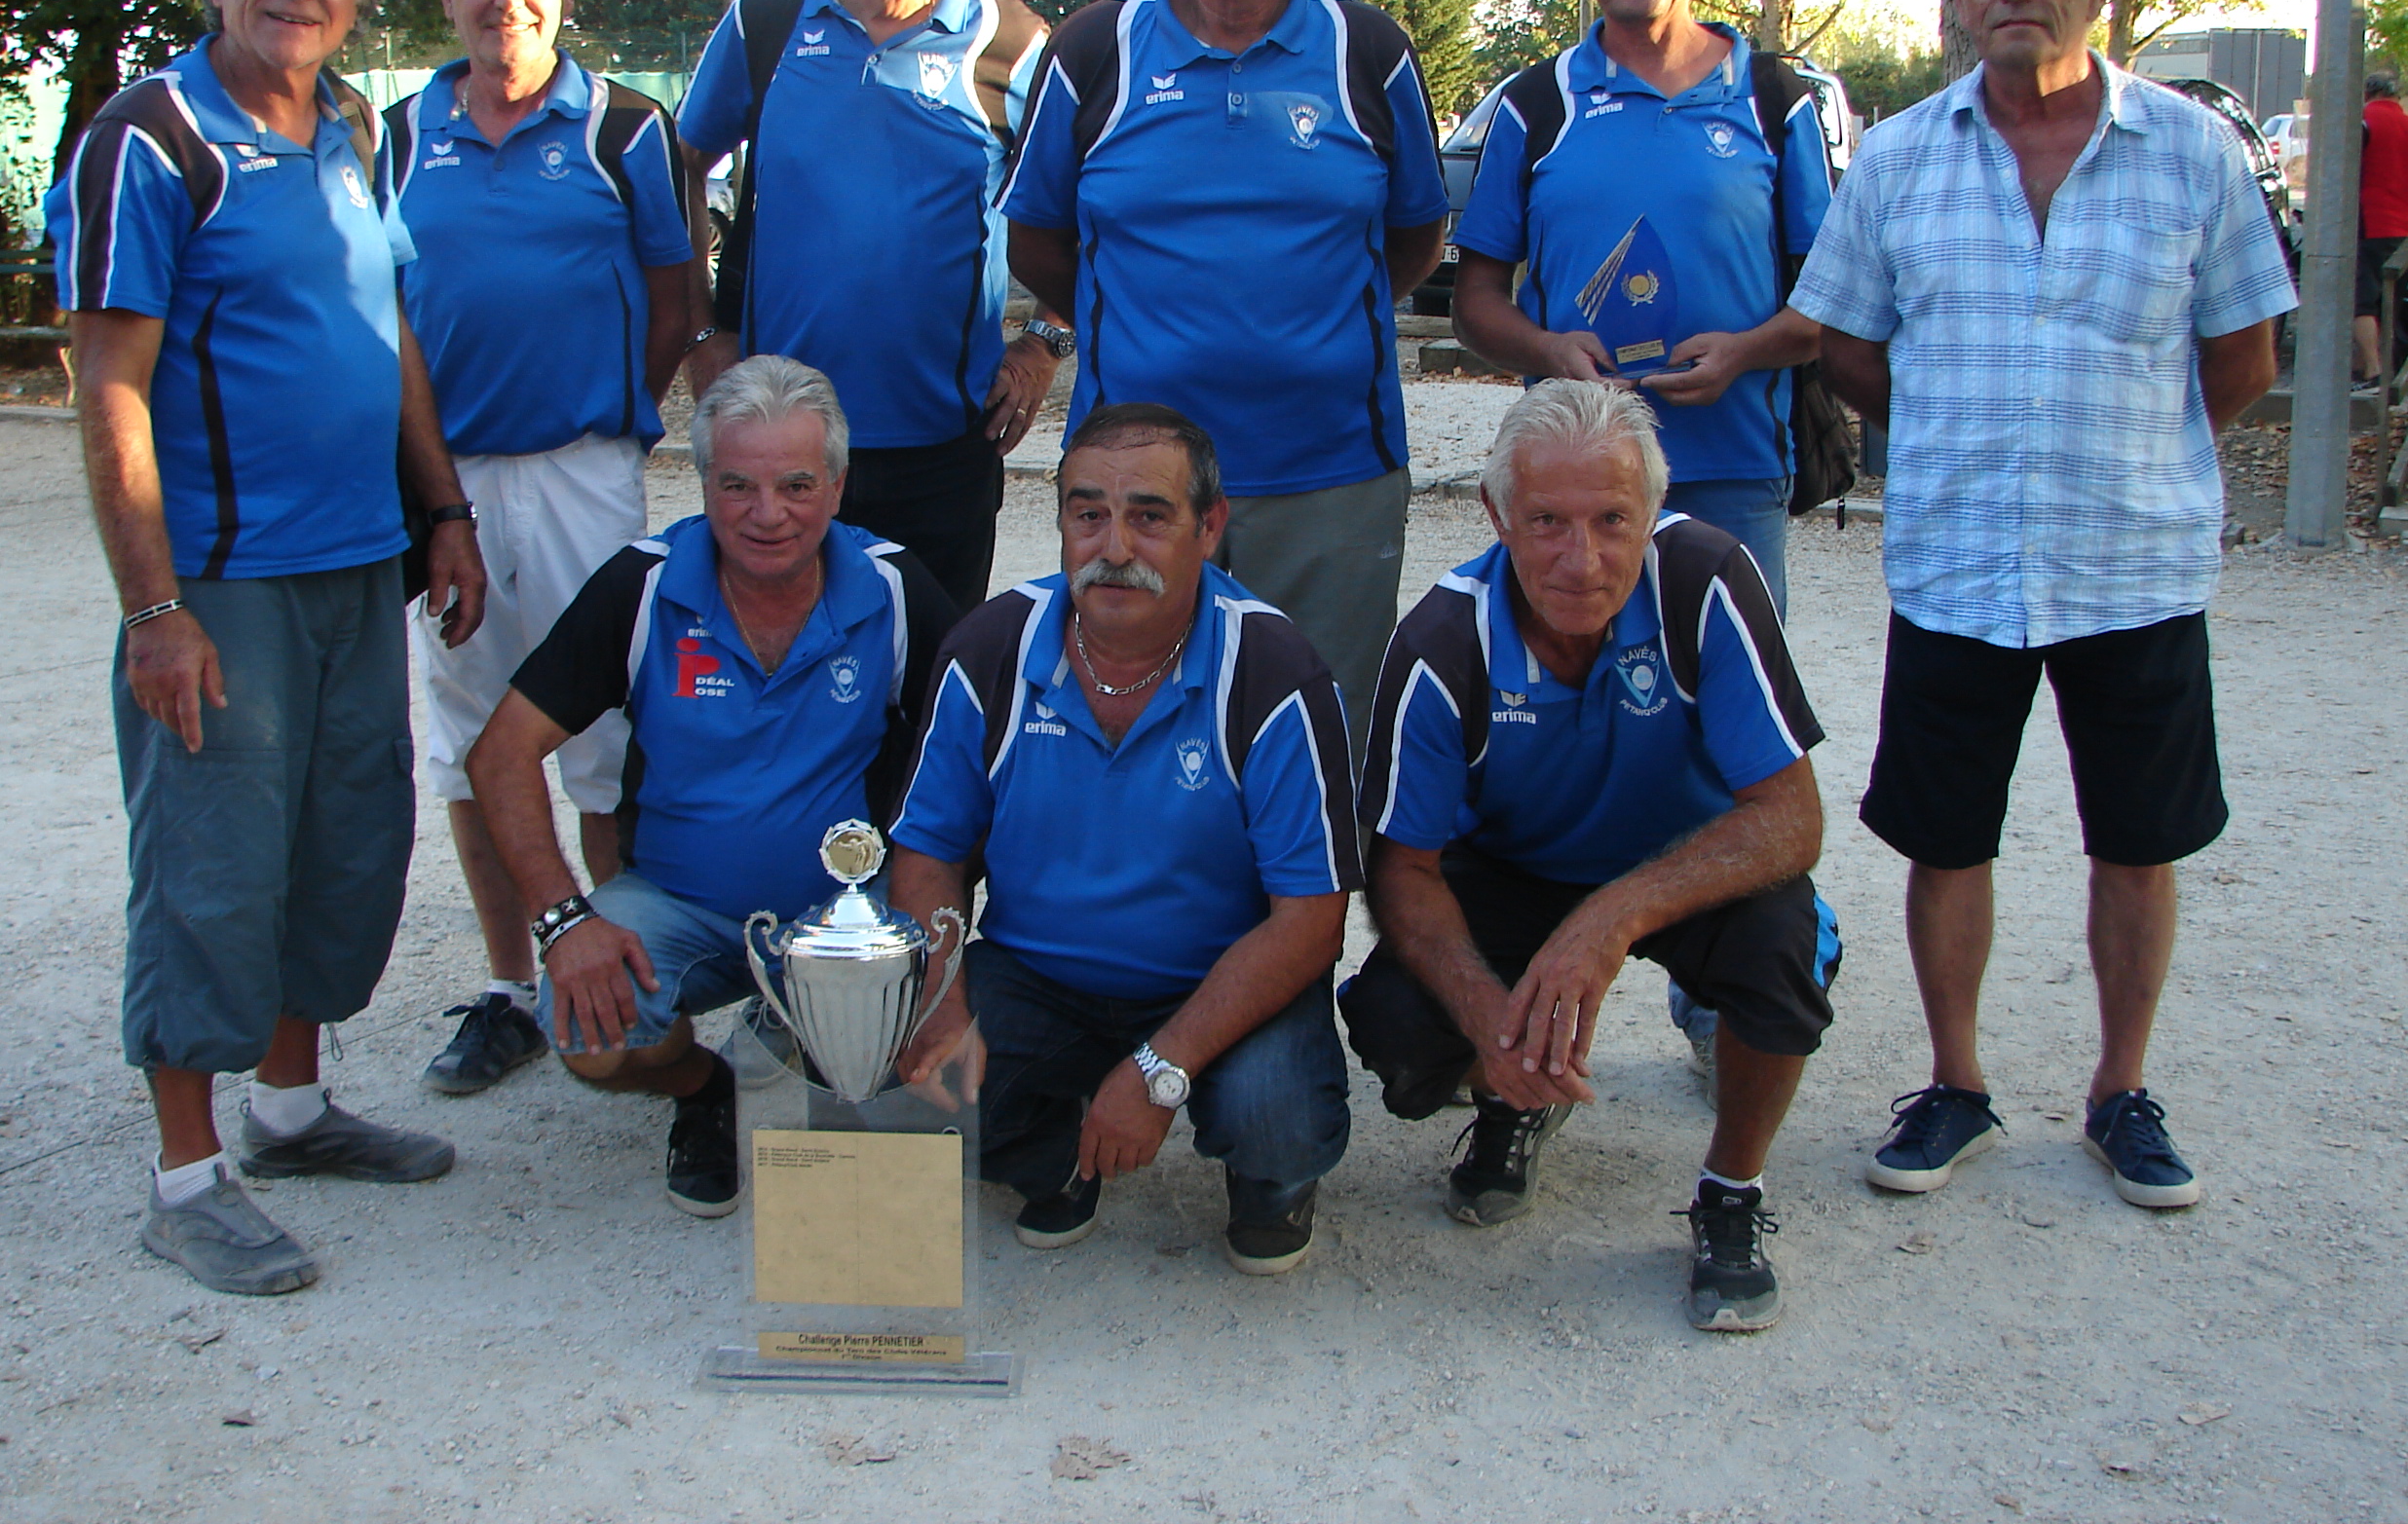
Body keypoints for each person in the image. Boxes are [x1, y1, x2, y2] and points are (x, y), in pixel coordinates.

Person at [1790, 0, 2291, 1212]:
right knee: (1945, 839)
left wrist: (2123, 441)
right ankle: (1955, 1085)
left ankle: (2121, 1090)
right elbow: (1848, 343)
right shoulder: (1898, 158)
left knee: (2140, 838)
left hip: (2134, 562)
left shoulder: (2193, 154)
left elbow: (2241, 355)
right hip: (1957, 561)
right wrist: (1960, 425)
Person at [50, 0, 483, 1297]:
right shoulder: (152, 138)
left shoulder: (350, 128)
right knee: (213, 866)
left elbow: (391, 329)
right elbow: (108, 384)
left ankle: (292, 1112)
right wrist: (153, 610)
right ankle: (186, 1178)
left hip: (360, 563)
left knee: (345, 841)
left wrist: (444, 508)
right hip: (222, 583)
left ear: (359, 1)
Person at [1446, 0, 1834, 1077]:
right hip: (1568, 481)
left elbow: (1832, 293)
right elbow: (1476, 302)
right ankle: (1545, 974)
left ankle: (1725, 986)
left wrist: (1751, 348)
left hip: (1726, 468)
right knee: (1558, 722)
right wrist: (1552, 350)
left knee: (1727, 735)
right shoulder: (1535, 104)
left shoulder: (1778, 100)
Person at [1341, 379, 1836, 1331]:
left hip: (1686, 862)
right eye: (1546, 522)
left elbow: (1789, 817)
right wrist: (1492, 1020)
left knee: (1784, 949)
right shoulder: (1446, 639)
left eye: (1613, 518)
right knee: (1400, 1019)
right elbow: (1402, 868)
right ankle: (1514, 1099)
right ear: (1495, 515)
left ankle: (1732, 1188)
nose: (1582, 558)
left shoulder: (1707, 579)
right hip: (1518, 872)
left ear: (1655, 508)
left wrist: (1609, 921)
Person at [1001, 0, 1449, 739]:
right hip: (1136, 481)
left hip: (1330, 475)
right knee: (1132, 728)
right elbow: (1038, 240)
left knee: (1316, 738)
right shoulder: (1094, 50)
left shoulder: (1368, 51)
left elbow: (1412, 238)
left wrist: (1309, 328)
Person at [465, 355, 954, 1216]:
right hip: (677, 901)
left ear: (838, 487)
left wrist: (930, 931)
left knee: (871, 1128)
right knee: (587, 1032)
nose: (769, 515)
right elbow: (500, 755)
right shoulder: (643, 587)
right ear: (700, 484)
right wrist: (563, 922)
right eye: (737, 487)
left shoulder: (895, 588)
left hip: (842, 920)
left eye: (797, 485)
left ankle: (810, 1047)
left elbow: (973, 756)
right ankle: (705, 1088)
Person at [888, 402, 1359, 1276]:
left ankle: (1271, 1182)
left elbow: (1312, 921)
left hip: (1217, 979)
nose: (1113, 546)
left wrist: (1156, 1071)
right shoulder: (990, 649)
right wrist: (945, 1008)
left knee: (1278, 1117)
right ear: (1060, 519)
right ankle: (1057, 1154)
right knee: (918, 1085)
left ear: (1209, 528)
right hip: (1037, 973)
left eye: (1149, 515)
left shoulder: (1272, 670)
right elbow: (925, 853)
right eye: (1087, 513)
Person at [386, 0, 696, 1097]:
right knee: (468, 743)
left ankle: (618, 971)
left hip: (583, 473)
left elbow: (677, 303)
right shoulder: (395, 135)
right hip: (445, 485)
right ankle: (514, 987)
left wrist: (613, 425)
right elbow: (388, 319)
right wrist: (433, 489)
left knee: (603, 738)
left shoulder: (627, 130)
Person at [675, 0, 1061, 613]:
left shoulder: (1015, 43)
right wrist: (701, 330)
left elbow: (1086, 207)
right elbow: (676, 168)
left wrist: (1042, 343)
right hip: (784, 449)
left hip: (944, 452)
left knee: (931, 700)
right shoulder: (765, 24)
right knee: (783, 692)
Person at [2356, 71, 2408, 388]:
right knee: (2398, 301)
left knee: (2363, 300)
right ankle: (2396, 369)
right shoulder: (2405, 123)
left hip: (2371, 222)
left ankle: (2373, 370)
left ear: (2367, 93)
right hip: (2404, 228)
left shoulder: (2362, 122)